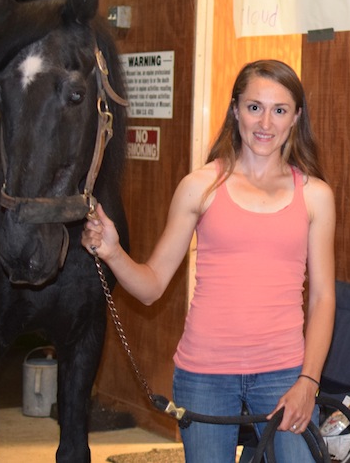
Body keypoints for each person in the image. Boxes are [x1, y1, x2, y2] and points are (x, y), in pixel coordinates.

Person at [82, 59, 336, 462]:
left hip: (285, 373)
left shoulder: (316, 196)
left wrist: (309, 380)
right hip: (205, 375)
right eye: (254, 107)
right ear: (235, 111)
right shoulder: (199, 187)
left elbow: (323, 297)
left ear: (296, 118)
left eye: (279, 110)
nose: (265, 122)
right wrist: (112, 251)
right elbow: (151, 287)